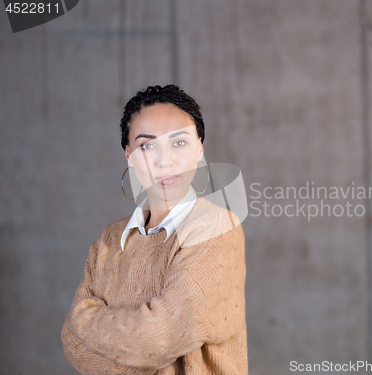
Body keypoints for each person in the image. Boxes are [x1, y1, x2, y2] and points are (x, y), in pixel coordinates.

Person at [61, 85, 248, 375]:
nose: (164, 160)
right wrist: (142, 355)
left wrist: (86, 322)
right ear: (129, 156)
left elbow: (158, 338)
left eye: (179, 143)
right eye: (147, 145)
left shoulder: (216, 229)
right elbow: (72, 342)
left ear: (199, 149)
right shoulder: (110, 240)